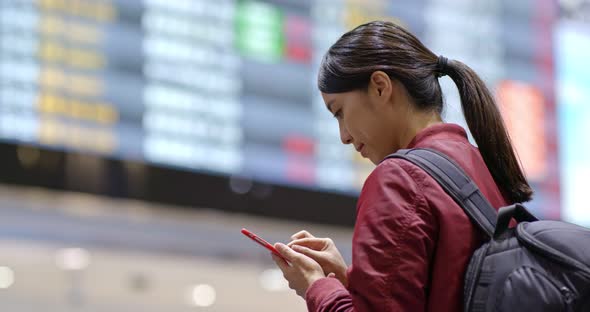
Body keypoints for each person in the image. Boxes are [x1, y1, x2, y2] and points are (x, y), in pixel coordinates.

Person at [271, 21, 533, 312]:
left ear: (380, 87)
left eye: (340, 112)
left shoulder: (398, 179)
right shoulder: (482, 166)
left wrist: (316, 287)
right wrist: (348, 281)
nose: (344, 136)